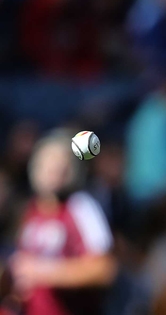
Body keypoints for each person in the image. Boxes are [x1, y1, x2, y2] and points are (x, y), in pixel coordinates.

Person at [9, 129, 118, 315]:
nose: (55, 169)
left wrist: (44, 272)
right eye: (49, 161)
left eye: (62, 162)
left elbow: (104, 269)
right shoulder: (30, 211)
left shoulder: (80, 206)